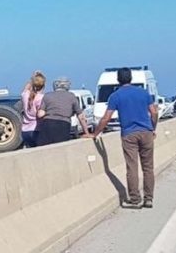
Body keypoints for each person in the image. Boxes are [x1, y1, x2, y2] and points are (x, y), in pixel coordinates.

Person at [93, 68, 158, 208]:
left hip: (129, 134)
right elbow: (154, 112)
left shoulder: (115, 96)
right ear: (131, 78)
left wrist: (95, 133)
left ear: (118, 79)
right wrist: (153, 128)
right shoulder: (143, 93)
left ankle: (135, 199)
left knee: (132, 167)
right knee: (148, 167)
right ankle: (149, 198)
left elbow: (106, 118)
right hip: (146, 132)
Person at [37, 77, 92, 145]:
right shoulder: (72, 96)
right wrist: (87, 133)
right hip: (63, 125)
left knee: (44, 148)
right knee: (61, 149)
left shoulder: (47, 95)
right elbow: (81, 117)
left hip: (48, 124)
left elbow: (40, 114)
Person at [21, 71, 46, 148]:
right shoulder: (41, 98)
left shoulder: (25, 95)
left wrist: (32, 78)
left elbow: (25, 88)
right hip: (36, 129)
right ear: (43, 86)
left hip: (25, 131)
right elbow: (40, 114)